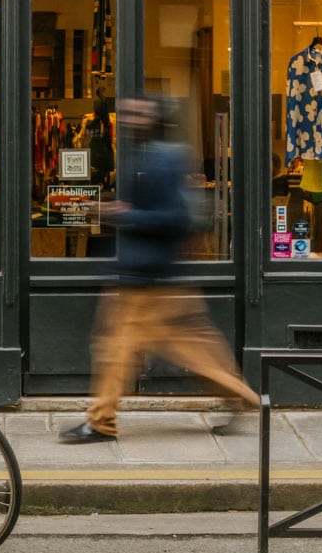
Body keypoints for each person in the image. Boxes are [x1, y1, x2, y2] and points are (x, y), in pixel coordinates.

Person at [60, 92, 259, 444]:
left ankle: (102, 422)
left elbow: (176, 217)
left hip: (151, 278)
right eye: (127, 114)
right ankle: (243, 398)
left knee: (118, 348)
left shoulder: (165, 159)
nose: (129, 120)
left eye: (137, 114)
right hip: (155, 275)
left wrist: (123, 214)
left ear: (155, 119)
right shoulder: (147, 155)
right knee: (188, 348)